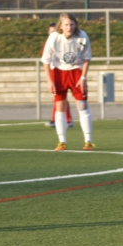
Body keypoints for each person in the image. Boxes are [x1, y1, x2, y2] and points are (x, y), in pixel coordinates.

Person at [41, 13, 94, 151]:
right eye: (66, 25)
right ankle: (62, 142)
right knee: (60, 106)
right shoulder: (54, 38)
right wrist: (49, 80)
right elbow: (46, 61)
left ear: (75, 25)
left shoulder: (82, 36)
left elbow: (87, 58)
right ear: (61, 26)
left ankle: (88, 141)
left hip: (76, 71)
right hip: (58, 72)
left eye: (71, 24)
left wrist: (83, 78)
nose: (69, 27)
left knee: (82, 106)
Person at [44, 22, 72, 130]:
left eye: (54, 31)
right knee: (57, 97)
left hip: (62, 70)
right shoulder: (48, 43)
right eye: (51, 31)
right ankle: (56, 119)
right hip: (52, 71)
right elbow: (45, 59)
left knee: (60, 97)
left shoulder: (61, 41)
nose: (53, 33)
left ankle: (67, 119)